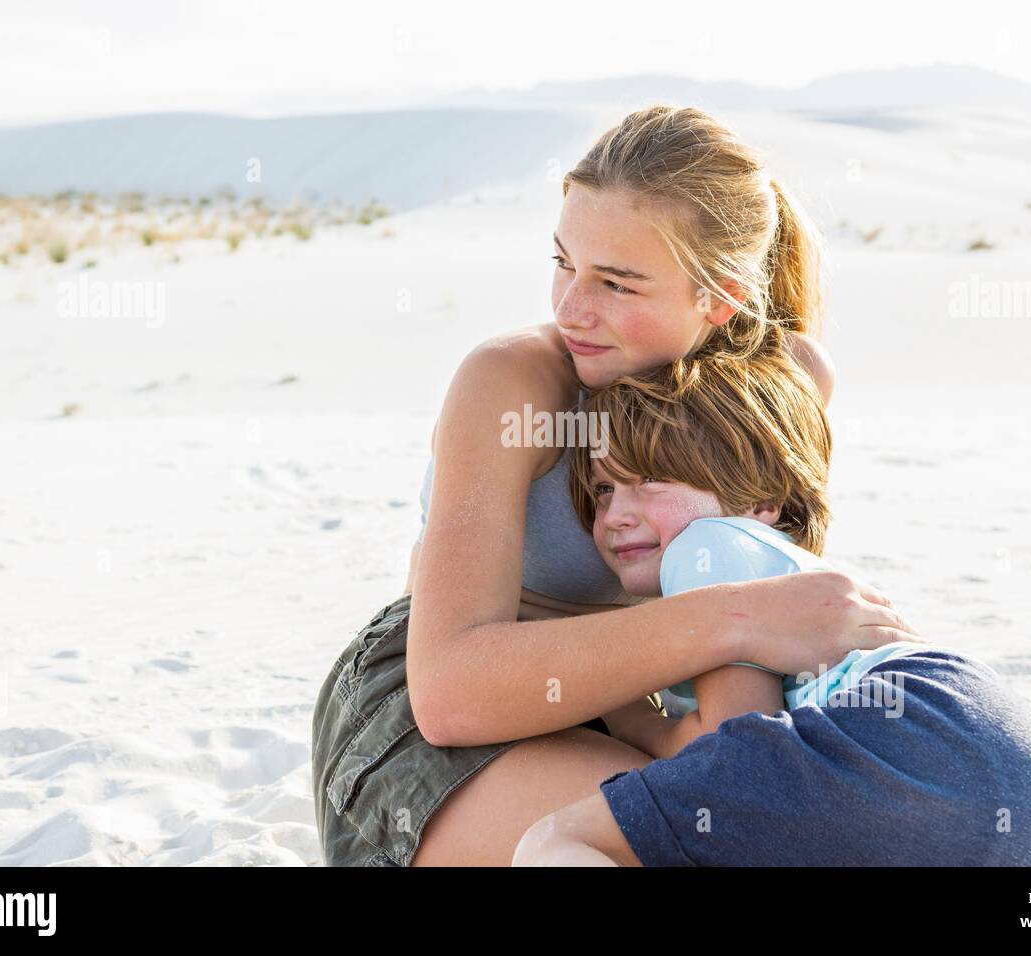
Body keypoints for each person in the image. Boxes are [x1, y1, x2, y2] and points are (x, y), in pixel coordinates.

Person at [312, 104, 919, 867]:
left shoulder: (785, 383)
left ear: (721, 297)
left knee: (796, 832)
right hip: (444, 716)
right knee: (708, 841)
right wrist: (736, 619)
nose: (571, 309)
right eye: (563, 263)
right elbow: (450, 693)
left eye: (617, 283)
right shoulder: (516, 389)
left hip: (653, 705)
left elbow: (765, 594)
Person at [511, 354, 1031, 866]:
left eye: (651, 480)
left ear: (763, 499)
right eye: (605, 489)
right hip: (1008, 767)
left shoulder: (707, 548)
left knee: (556, 840)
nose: (616, 513)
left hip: (908, 740)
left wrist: (629, 713)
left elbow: (732, 743)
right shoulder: (775, 569)